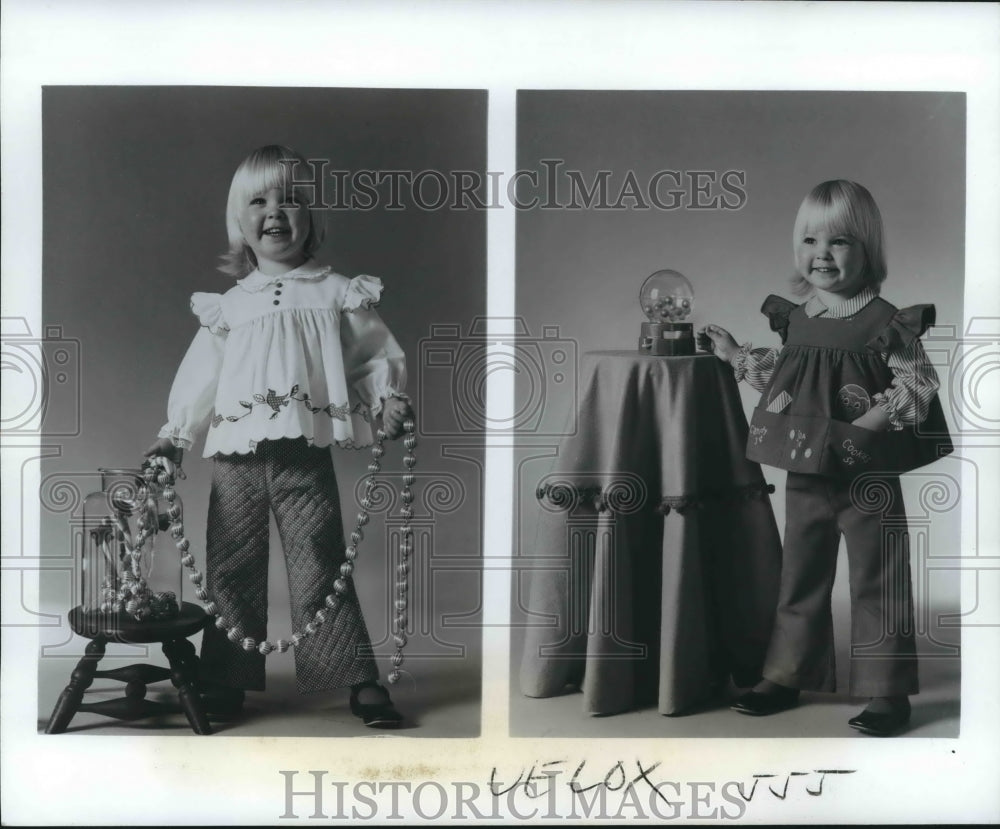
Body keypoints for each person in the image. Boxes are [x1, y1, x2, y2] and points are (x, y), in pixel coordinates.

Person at [145, 144, 414, 728]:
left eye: (292, 201)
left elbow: (372, 357)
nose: (276, 212)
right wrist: (175, 436)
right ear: (239, 221)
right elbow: (201, 376)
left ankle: (353, 677)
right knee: (231, 567)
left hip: (302, 454)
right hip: (235, 460)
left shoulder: (336, 291)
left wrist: (388, 400)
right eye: (260, 201)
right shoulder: (230, 308)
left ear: (312, 217)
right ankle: (226, 678)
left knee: (319, 561)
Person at [699, 179, 952, 736]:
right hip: (808, 473)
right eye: (810, 241)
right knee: (801, 574)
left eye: (839, 242)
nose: (822, 254)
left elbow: (920, 383)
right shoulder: (799, 320)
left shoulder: (888, 323)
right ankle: (786, 674)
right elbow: (782, 385)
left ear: (867, 250)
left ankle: (887, 692)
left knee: (877, 578)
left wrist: (876, 417)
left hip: (867, 477)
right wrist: (736, 354)